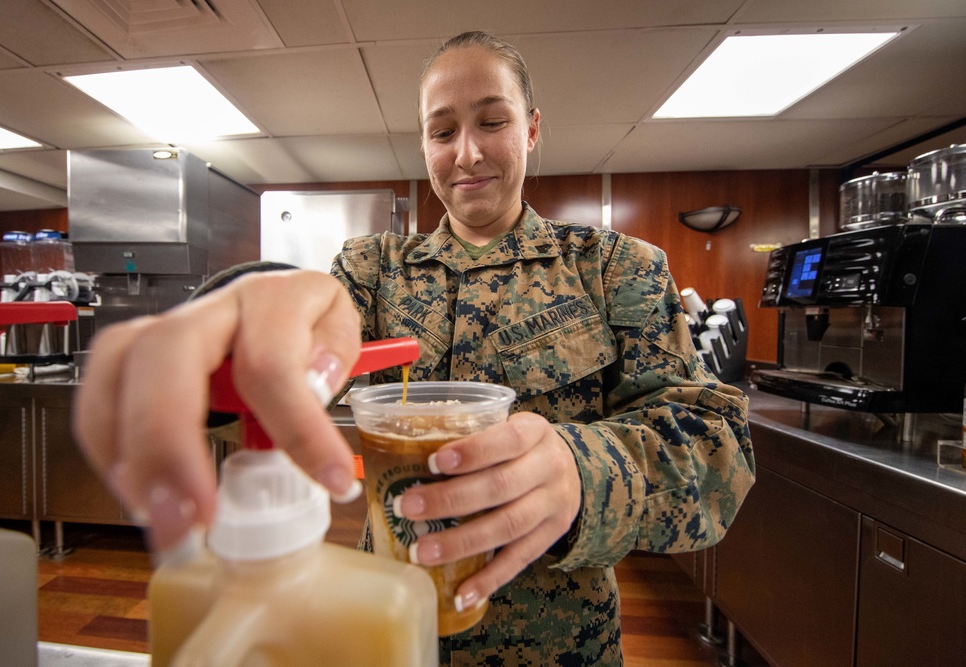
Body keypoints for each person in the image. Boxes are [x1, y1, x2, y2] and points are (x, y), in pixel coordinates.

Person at [74, 30, 755, 667]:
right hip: (386, 632)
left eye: (492, 120)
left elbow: (714, 448)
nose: (467, 152)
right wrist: (241, 312)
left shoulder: (614, 268)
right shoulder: (372, 271)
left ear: (533, 128)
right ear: (423, 143)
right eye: (442, 130)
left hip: (559, 646)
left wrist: (583, 469)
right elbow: (283, 355)